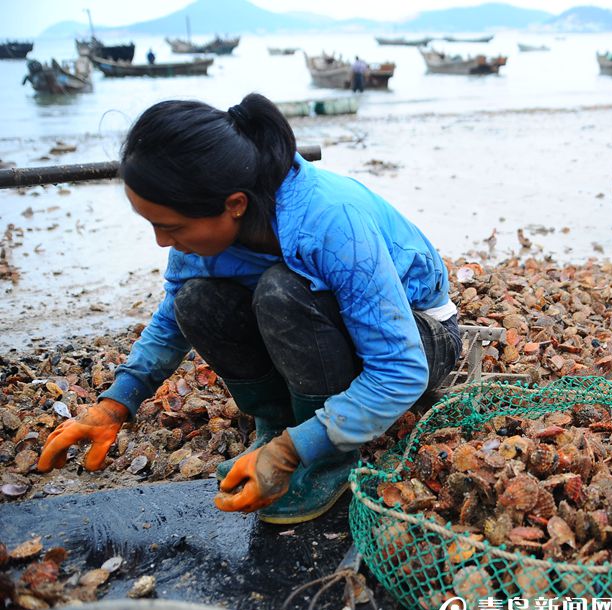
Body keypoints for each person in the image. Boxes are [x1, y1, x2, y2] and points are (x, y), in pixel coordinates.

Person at [37, 93, 461, 524]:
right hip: (326, 330)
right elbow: (171, 322)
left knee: (281, 291)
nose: (162, 242)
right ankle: (277, 426)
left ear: (235, 204)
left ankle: (325, 458)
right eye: (154, 225)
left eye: (171, 227)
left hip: (424, 336)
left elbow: (400, 370)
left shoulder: (332, 221)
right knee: (197, 301)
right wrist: (114, 406)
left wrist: (293, 453)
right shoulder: (202, 235)